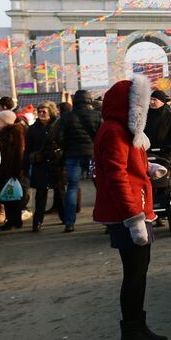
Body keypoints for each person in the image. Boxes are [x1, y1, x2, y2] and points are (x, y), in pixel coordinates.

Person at [92, 74, 166, 340]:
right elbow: (116, 177)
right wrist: (135, 219)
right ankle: (132, 333)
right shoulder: (114, 131)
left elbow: (125, 167)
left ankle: (138, 327)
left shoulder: (121, 129)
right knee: (134, 274)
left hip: (135, 206)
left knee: (139, 272)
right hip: (129, 213)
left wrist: (148, 170)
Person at [54, 89, 101, 233]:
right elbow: (103, 135)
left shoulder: (66, 117)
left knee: (72, 187)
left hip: (72, 154)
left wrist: (66, 148)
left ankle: (69, 222)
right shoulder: (97, 115)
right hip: (93, 154)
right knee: (100, 186)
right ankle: (107, 220)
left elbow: (58, 136)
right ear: (89, 100)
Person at [25, 103, 63, 234]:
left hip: (56, 162)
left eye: (44, 111)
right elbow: (28, 148)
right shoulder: (32, 128)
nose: (41, 114)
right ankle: (37, 222)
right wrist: (28, 161)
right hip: (40, 163)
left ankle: (65, 218)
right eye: (39, 111)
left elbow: (63, 142)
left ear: (50, 112)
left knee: (60, 192)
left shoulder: (58, 125)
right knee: (41, 194)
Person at [0, 110, 27, 231]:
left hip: (12, 169)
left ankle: (14, 221)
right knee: (8, 196)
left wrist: (17, 171)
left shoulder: (14, 133)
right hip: (5, 169)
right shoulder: (1, 132)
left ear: (5, 121)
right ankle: (12, 220)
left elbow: (18, 153)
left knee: (12, 196)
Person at [143, 88, 171, 160]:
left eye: (155, 100)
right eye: (151, 99)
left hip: (164, 152)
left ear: (162, 102)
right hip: (145, 152)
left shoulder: (169, 116)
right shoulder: (144, 115)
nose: (151, 102)